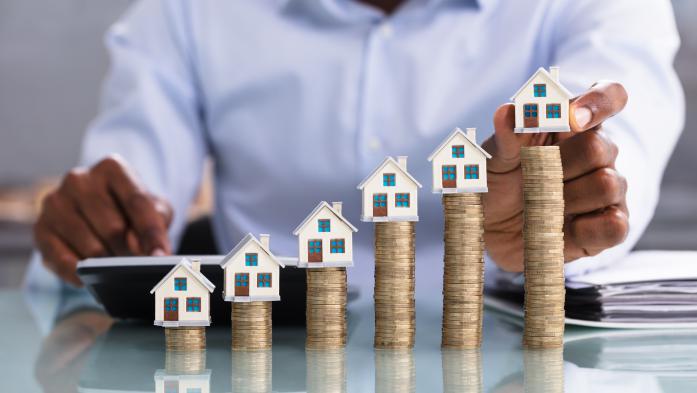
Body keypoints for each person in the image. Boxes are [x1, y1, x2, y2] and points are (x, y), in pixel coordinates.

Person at [29, 0, 683, 289]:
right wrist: (100, 228)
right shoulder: (185, 11)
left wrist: (571, 187)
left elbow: (614, 124)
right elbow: (133, 184)